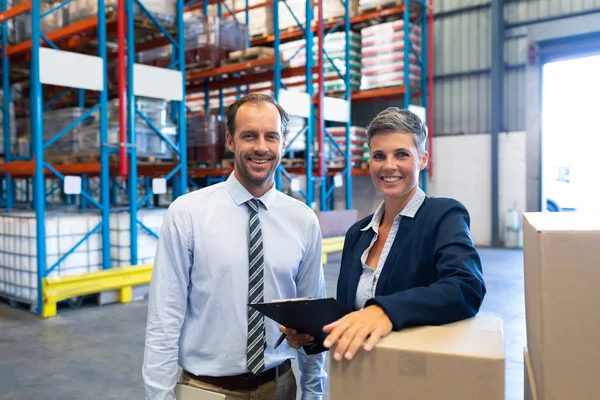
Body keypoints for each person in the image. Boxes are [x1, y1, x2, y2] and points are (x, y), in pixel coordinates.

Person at [142, 93, 328, 400]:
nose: (261, 147)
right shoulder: (187, 214)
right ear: (230, 140)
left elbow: (311, 317)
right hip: (206, 390)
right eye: (249, 136)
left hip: (280, 387)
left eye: (271, 136)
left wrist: (313, 393)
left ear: (283, 142)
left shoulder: (303, 221)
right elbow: (164, 317)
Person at [283, 107, 486, 362]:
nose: (389, 166)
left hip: (412, 375)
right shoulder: (358, 234)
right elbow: (354, 316)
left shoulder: (443, 216)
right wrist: (313, 333)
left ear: (422, 159)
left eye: (401, 154)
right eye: (379, 155)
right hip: (359, 376)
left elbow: (466, 287)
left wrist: (386, 311)